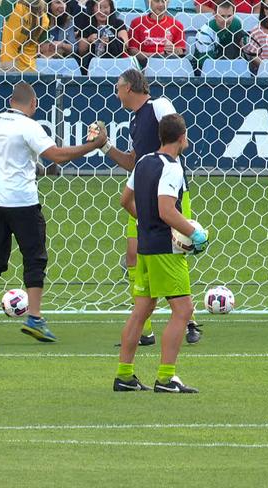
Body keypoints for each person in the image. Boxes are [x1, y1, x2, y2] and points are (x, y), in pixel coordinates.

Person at [0, 82, 108, 345]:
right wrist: (96, 144)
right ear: (33, 104)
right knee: (35, 258)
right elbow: (58, 156)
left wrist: (16, 160)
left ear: (10, 101)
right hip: (21, 201)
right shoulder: (30, 126)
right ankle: (34, 318)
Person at [99, 69, 204, 345]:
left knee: (176, 248)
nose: (116, 92)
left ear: (130, 88)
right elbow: (134, 162)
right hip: (144, 195)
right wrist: (105, 145)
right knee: (134, 255)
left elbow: (178, 134)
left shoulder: (158, 106)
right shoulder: (134, 121)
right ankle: (144, 329)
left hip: (170, 193)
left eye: (118, 87)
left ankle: (188, 319)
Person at [114, 113, 209, 393]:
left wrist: (144, 222)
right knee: (183, 310)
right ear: (182, 138)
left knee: (141, 310)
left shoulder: (143, 161)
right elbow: (167, 210)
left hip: (144, 247)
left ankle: (125, 376)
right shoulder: (173, 168)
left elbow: (124, 200)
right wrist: (195, 234)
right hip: (165, 251)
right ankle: (166, 379)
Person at [192, 1, 248, 73]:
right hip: (203, 70)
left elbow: (241, 45)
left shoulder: (236, 24)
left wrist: (244, 43)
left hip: (231, 67)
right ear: (215, 15)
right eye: (222, 16)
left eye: (229, 16)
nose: (226, 20)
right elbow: (205, 63)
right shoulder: (205, 32)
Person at [128, 0, 186, 69]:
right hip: (144, 64)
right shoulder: (137, 23)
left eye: (164, 1)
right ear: (149, 2)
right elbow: (132, 51)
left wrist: (174, 50)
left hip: (169, 64)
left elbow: (180, 51)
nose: (161, 5)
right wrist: (156, 56)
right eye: (157, 1)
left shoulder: (177, 25)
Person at [76, 0, 128, 74]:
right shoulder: (87, 24)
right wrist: (89, 40)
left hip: (115, 66)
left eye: (106, 7)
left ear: (111, 8)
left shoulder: (118, 23)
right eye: (99, 7)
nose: (102, 11)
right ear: (93, 9)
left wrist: (109, 40)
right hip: (92, 67)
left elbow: (125, 45)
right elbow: (81, 51)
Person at [0, 0, 49, 71]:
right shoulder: (45, 19)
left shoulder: (14, 7)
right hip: (30, 67)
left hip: (10, 65)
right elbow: (45, 48)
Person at [195, 0, 259, 14]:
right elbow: (200, 7)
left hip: (246, 26)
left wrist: (252, 21)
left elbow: (258, 6)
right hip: (218, 25)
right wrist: (220, 16)